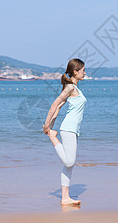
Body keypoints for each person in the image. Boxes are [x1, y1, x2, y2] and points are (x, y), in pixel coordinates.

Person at [43, 58, 87, 205]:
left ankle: (65, 198)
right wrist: (47, 127)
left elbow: (60, 107)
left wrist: (52, 124)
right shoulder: (70, 88)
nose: (85, 73)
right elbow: (54, 104)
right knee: (69, 162)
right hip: (68, 128)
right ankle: (53, 138)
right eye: (83, 70)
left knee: (69, 165)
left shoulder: (75, 88)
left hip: (73, 129)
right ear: (75, 71)